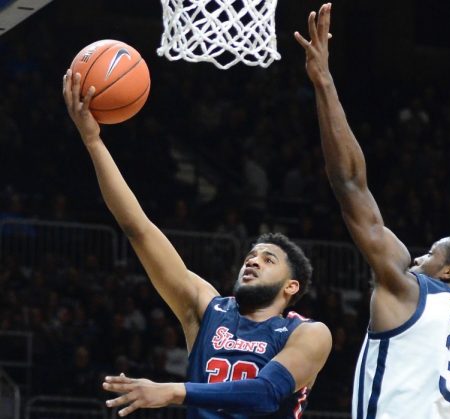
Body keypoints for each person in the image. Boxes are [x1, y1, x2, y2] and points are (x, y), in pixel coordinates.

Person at [62, 69, 332, 418]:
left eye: (268, 260)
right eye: (251, 255)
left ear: (291, 286)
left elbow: (265, 393)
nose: (252, 261)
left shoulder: (308, 333)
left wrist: (174, 392)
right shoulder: (208, 309)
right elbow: (138, 228)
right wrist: (93, 141)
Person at [295, 4, 450, 418]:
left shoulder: (408, 289)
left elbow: (350, 185)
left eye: (432, 253)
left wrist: (324, 83)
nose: (420, 257)